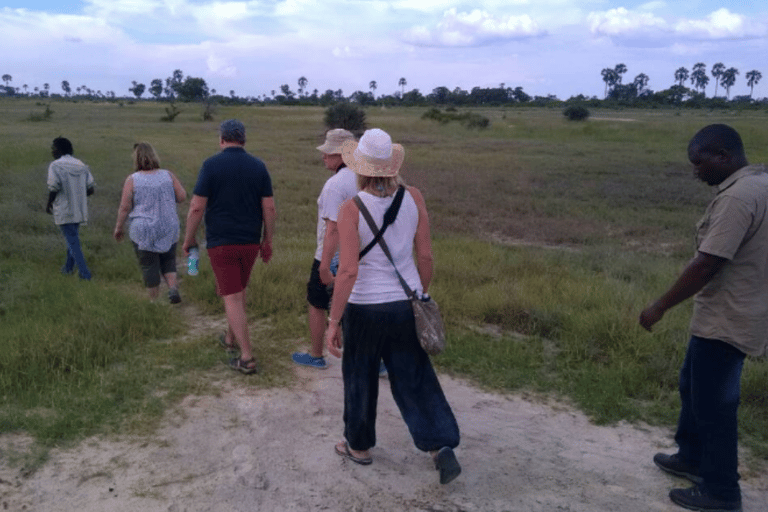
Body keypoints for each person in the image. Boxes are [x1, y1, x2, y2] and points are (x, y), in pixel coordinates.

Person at [639, 124, 768, 512]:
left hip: (729, 315)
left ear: (724, 156)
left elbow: (706, 263)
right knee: (692, 387)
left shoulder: (737, 197)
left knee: (714, 404)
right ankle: (691, 457)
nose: (695, 171)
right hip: (736, 309)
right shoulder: (759, 183)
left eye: (700, 163)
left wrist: (659, 306)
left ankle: (722, 491)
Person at [324, 128, 461, 484]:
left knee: (359, 377)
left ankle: (359, 446)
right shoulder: (414, 197)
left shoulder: (351, 208)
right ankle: (440, 447)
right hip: (405, 304)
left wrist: (333, 320)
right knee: (415, 377)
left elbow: (349, 270)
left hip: (365, 309)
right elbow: (426, 255)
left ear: (361, 168)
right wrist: (419, 294)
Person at [183, 119, 276, 375]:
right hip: (249, 242)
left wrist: (188, 239)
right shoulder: (258, 166)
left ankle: (246, 357)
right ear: (244, 140)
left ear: (222, 139)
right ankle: (230, 339)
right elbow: (269, 207)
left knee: (232, 295)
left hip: (221, 242)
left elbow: (196, 207)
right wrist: (267, 240)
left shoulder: (211, 165)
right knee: (237, 291)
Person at [292, 129, 358, 370]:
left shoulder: (335, 185)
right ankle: (376, 359)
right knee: (357, 305)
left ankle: (317, 355)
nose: (324, 157)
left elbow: (333, 229)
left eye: (328, 153)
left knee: (317, 302)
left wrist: (324, 263)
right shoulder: (366, 178)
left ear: (340, 154)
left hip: (333, 255)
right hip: (361, 254)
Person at [113, 142, 187, 303]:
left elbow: (125, 207)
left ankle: (154, 302)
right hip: (168, 225)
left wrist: (119, 228)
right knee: (168, 259)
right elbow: (182, 197)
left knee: (149, 264)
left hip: (144, 228)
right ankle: (173, 289)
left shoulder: (133, 179)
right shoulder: (168, 175)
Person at [46, 136, 95, 281]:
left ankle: (85, 273)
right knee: (72, 239)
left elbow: (53, 187)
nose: (52, 151)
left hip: (64, 208)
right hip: (79, 209)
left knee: (73, 242)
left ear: (59, 150)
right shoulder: (80, 164)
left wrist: (49, 203)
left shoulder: (55, 165)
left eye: (53, 148)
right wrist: (77, 194)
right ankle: (67, 269)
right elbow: (91, 189)